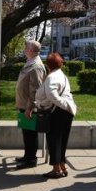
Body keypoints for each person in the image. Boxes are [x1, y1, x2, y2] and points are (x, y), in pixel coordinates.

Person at [35, 52, 76, 179]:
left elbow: (52, 95)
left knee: (53, 141)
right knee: (62, 141)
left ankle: (56, 170)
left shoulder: (51, 77)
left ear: (48, 65)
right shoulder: (62, 75)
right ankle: (62, 166)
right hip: (66, 112)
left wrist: (60, 104)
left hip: (57, 112)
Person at [15, 40, 46, 168]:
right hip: (24, 105)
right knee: (26, 133)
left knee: (30, 134)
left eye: (26, 47)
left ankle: (31, 159)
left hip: (29, 107)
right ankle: (27, 156)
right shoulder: (30, 63)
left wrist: (30, 107)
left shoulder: (36, 66)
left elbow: (36, 89)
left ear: (32, 51)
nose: (24, 49)